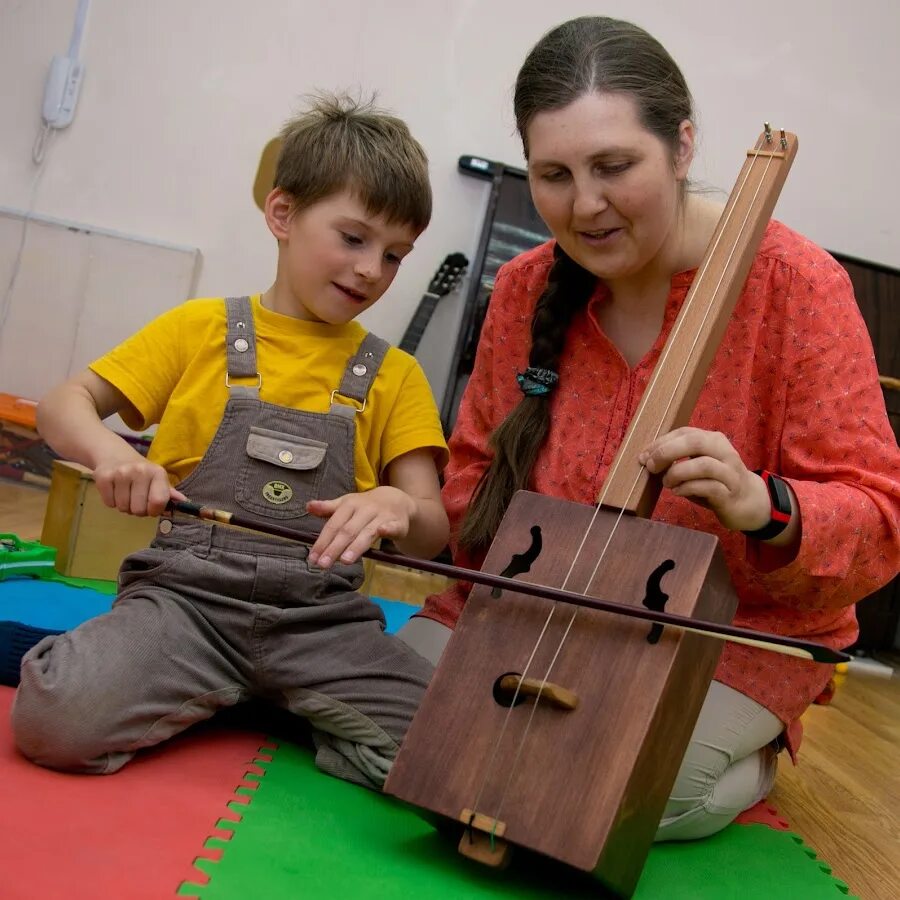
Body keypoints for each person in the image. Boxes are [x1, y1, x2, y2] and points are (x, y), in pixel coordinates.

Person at [398, 16, 900, 840]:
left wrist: (761, 505)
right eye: (554, 174)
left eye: (615, 166)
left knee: (604, 794)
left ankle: (747, 751)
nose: (584, 204)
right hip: (534, 610)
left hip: (721, 638)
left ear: (683, 145)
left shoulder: (799, 287)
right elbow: (472, 473)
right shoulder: (526, 291)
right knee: (386, 721)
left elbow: (880, 519)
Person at [11, 94, 450, 790]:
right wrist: (114, 454)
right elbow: (65, 405)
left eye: (396, 254)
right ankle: (242, 694)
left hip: (322, 624)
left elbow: (431, 530)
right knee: (54, 719)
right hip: (186, 605)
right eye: (355, 237)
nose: (372, 269)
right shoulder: (199, 328)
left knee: (459, 755)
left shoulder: (396, 375)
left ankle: (263, 699)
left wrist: (400, 504)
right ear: (282, 215)